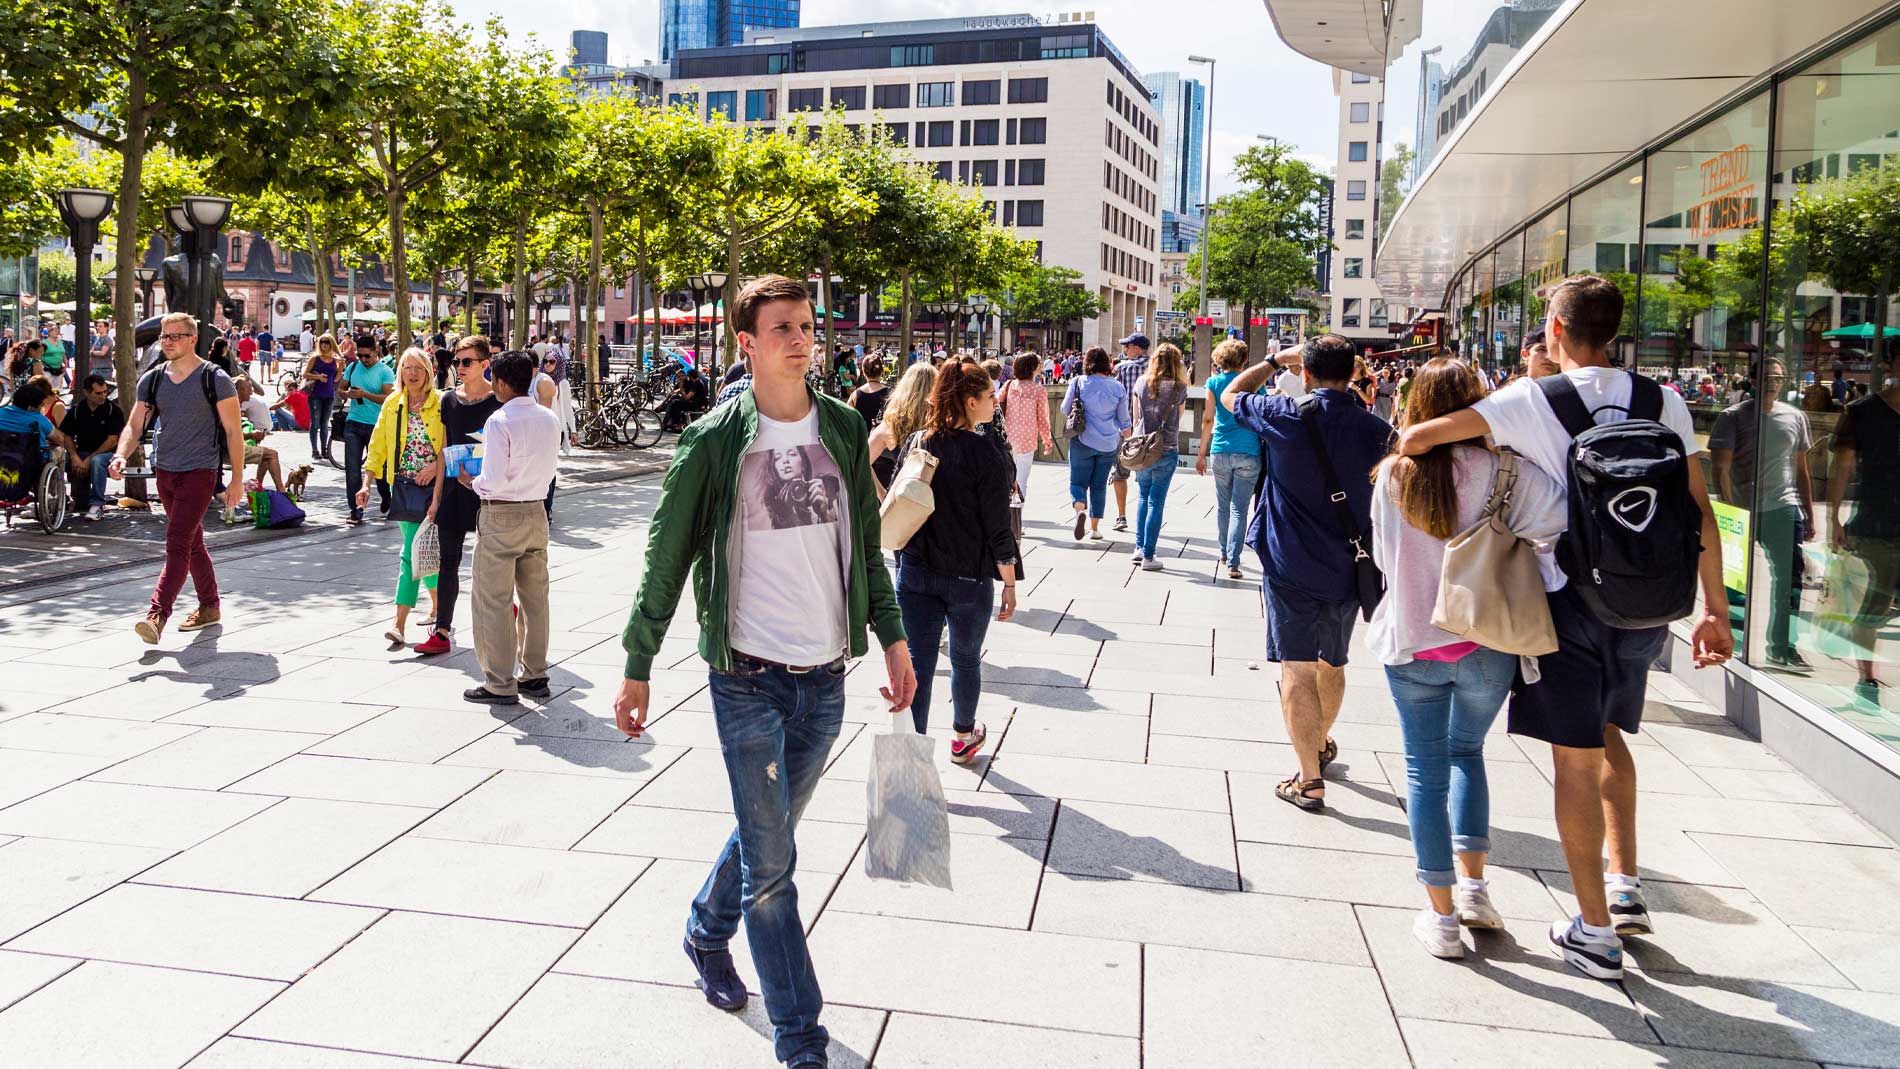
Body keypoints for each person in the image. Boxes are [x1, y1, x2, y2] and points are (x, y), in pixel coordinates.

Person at [612, 275, 914, 1069]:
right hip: (746, 676)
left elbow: (869, 547)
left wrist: (893, 636)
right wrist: (637, 662)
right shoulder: (715, 439)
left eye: (807, 325)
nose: (801, 339)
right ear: (745, 342)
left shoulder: (845, 429)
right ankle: (801, 1040)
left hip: (826, 678)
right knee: (775, 871)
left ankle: (704, 931)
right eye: (782, 327)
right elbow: (666, 553)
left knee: (765, 836)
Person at [1397, 274, 1732, 980]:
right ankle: (1625, 883)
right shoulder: (1663, 399)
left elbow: (1422, 434)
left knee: (1573, 758)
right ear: (1613, 332)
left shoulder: (1528, 400)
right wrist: (1716, 610)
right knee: (1612, 736)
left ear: (1555, 329)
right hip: (1648, 604)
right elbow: (1698, 509)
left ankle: (1595, 931)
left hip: (1570, 604)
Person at [1368, 357, 1567, 959]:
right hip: (1489, 639)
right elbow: (1558, 526)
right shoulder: (1512, 471)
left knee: (1424, 773)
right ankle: (1476, 889)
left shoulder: (1395, 476)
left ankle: (1442, 918)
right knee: (1467, 754)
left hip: (1413, 639)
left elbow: (1383, 558)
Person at [1220, 334, 1394, 811]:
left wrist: (1276, 359)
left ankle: (1309, 778)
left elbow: (1229, 394)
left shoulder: (1283, 415)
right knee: (1333, 662)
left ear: (1307, 374)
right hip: (1350, 566)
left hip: (1289, 561)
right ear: (1355, 371)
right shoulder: (1377, 429)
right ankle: (1319, 741)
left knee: (1296, 667)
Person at [895, 360, 1018, 762]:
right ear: (970, 401)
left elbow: (897, 503)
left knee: (918, 663)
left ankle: (912, 751)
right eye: (988, 398)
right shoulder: (987, 452)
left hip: (916, 571)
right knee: (965, 658)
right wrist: (1010, 583)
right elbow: (999, 527)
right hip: (968, 577)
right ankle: (963, 736)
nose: (993, 404)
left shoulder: (918, 443)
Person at [109, 312, 246, 644]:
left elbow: (233, 432)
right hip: (166, 472)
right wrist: (120, 453)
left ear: (192, 339)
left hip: (200, 472)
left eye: (175, 336)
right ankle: (210, 606)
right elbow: (135, 424)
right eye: (163, 337)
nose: (167, 342)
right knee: (192, 543)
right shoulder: (153, 379)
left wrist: (237, 480)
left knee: (177, 541)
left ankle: (157, 615)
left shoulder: (215, 378)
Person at [462, 350, 559, 705]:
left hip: (501, 514)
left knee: (494, 599)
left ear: (501, 383)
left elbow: (492, 479)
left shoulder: (499, 420)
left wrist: (469, 481)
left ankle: (499, 681)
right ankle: (535, 673)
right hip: (536, 511)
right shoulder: (549, 419)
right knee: (536, 599)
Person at [1710, 359, 1814, 671]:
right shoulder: (1734, 417)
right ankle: (1734, 645)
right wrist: (1731, 511)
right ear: (1753, 380)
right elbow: (1720, 467)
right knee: (1735, 584)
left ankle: (1782, 647)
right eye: (1767, 377)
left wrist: (1809, 512)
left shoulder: (1795, 417)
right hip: (1743, 510)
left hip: (1783, 508)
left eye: (1778, 378)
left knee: (1790, 581)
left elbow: (1802, 469)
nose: (1773, 382)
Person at [417, 336, 503, 658]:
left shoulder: (499, 402)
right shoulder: (448, 401)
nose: (459, 368)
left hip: (489, 493)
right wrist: (436, 498)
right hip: (454, 490)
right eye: (456, 362)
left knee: (492, 562)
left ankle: (504, 612)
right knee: (448, 561)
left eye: (466, 362)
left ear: (485, 365)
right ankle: (441, 631)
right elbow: (443, 450)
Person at [1827, 346, 1898, 710]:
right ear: (1891, 365)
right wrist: (1834, 517)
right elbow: (1842, 467)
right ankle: (1866, 678)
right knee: (1871, 609)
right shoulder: (1861, 412)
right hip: (1875, 526)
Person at [360, 348, 445, 647]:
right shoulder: (393, 404)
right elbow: (378, 444)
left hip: (435, 489)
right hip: (404, 488)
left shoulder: (440, 403)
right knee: (422, 550)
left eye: (418, 368)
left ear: (428, 372)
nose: (412, 373)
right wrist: (367, 482)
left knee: (411, 553)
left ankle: (399, 623)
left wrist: (435, 467)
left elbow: (453, 444)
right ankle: (438, 607)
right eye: (406, 368)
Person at [1194, 339, 1263, 579]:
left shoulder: (1213, 383)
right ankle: (1234, 561)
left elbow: (1207, 420)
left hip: (1220, 449)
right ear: (1244, 360)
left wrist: (1201, 454)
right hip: (1249, 451)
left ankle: (1224, 552)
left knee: (1223, 505)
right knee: (1239, 509)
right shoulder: (1254, 383)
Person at [1128, 342, 1190, 571]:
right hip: (1167, 448)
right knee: (1157, 501)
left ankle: (1138, 546)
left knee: (1143, 497)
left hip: (1143, 448)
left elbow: (1135, 418)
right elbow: (1179, 415)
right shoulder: (1180, 387)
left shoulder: (1141, 382)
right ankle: (1148, 555)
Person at [1061, 346, 1129, 541]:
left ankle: (1080, 507)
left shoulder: (1078, 382)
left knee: (1078, 482)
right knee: (1099, 486)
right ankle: (1094, 529)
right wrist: (1128, 441)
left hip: (1082, 440)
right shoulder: (1117, 386)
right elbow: (1124, 420)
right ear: (1106, 364)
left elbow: (1065, 409)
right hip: (1108, 443)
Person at [339, 338, 395, 525]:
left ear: (376, 351)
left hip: (377, 426)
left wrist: (365, 395)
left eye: (367, 356)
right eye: (360, 355)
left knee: (380, 471)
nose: (363, 359)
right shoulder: (353, 367)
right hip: (353, 423)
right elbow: (340, 388)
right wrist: (347, 394)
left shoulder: (385, 372)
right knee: (353, 470)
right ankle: (356, 509)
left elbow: (388, 398)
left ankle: (386, 496)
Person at [60, 373, 125, 522]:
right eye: (98, 393)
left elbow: (112, 440)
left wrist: (88, 460)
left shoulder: (112, 410)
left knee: (96, 461)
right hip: (82, 452)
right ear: (86, 393)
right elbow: (67, 435)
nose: (102, 396)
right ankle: (59, 497)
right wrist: (74, 457)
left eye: (104, 392)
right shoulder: (77, 410)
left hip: (108, 454)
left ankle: (97, 504)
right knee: (58, 459)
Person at [866, 362, 936, 495]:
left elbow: (862, 460)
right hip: (938, 502)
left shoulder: (892, 424)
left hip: (904, 502)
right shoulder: (941, 422)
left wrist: (882, 495)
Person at [1107, 332, 1150, 531]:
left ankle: (1121, 516)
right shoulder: (1156, 368)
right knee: (1147, 475)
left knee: (1120, 473)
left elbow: (1114, 397)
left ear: (1137, 348)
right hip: (1150, 430)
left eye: (1128, 346)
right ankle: (1147, 514)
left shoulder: (1122, 368)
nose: (1125, 350)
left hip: (1125, 429)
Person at [999, 354, 1053, 503]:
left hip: (1007, 438)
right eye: (1038, 363)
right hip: (1027, 441)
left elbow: (996, 405)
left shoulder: (1009, 385)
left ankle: (1006, 513)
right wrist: (1047, 440)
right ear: (1032, 368)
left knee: (1006, 479)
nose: (1041, 365)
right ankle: (1017, 517)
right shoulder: (1039, 391)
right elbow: (1043, 418)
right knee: (1021, 480)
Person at [234, 376, 286, 494]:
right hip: (230, 448)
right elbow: (231, 434)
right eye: (249, 388)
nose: (252, 391)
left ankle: (258, 487)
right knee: (272, 454)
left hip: (231, 445)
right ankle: (282, 492)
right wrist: (250, 435)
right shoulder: (233, 405)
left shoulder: (238, 403)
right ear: (240, 390)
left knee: (266, 456)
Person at [303, 333, 341, 463]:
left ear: (332, 344)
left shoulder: (335, 360)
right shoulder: (315, 358)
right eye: (322, 342)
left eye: (327, 342)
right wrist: (318, 377)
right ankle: (315, 449)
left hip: (329, 394)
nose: (324, 345)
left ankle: (324, 449)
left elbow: (336, 379)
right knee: (315, 423)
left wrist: (341, 367)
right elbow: (305, 374)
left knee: (325, 423)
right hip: (315, 394)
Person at [845, 356, 890, 432]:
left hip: (861, 440)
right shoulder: (890, 394)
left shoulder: (855, 395)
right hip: (883, 441)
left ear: (863, 371)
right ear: (882, 371)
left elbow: (847, 419)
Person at [664, 363, 711, 431]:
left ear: (690, 377)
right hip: (697, 402)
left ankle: (677, 424)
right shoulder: (698, 382)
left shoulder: (696, 384)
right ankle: (670, 422)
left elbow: (687, 397)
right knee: (675, 401)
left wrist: (681, 389)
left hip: (697, 404)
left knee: (675, 404)